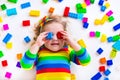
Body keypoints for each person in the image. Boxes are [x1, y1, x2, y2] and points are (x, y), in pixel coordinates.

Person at [20, 15, 91, 80]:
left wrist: (72, 43)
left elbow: (86, 61)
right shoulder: (39, 52)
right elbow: (25, 65)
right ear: (41, 37)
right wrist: (37, 45)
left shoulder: (67, 51)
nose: (55, 38)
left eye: (59, 35)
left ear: (65, 36)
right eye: (49, 35)